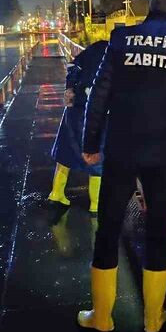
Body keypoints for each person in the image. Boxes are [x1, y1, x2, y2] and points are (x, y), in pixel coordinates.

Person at [77, 0, 166, 332]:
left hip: (122, 148)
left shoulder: (121, 40)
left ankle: (102, 317)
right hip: (163, 153)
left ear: (150, 12)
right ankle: (154, 319)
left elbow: (100, 95)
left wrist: (90, 143)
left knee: (108, 227)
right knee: (157, 231)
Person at [47, 39, 108, 213]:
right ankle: (96, 204)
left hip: (76, 107)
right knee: (97, 157)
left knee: (66, 151)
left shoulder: (91, 51)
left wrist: (69, 90)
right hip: (97, 112)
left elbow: (72, 68)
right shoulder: (116, 56)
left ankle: (56, 193)